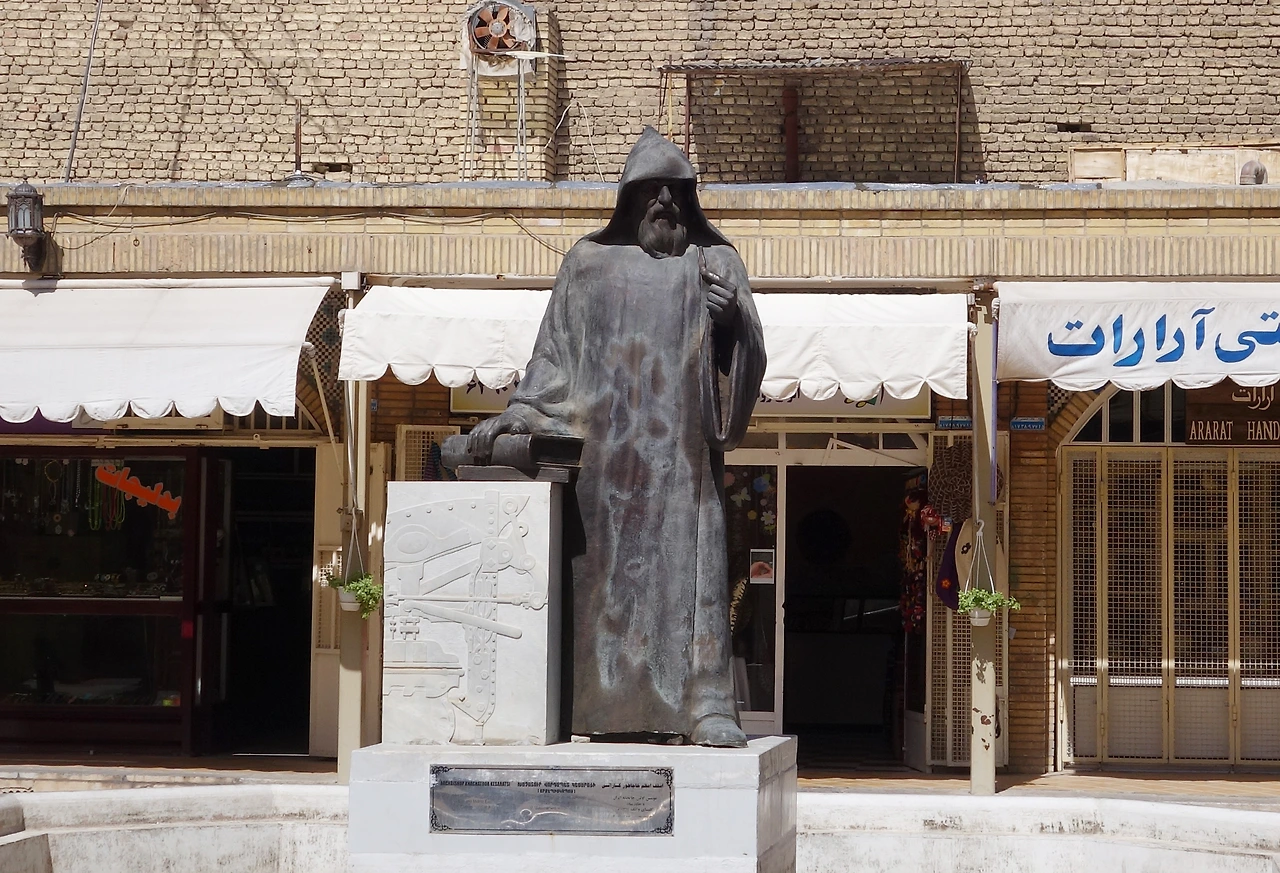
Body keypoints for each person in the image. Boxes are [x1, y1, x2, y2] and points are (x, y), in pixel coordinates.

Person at [467, 127, 766, 746]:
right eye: (651, 190)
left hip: (682, 464)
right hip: (603, 469)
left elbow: (749, 357)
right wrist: (522, 412)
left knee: (688, 581)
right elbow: (553, 359)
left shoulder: (713, 262)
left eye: (675, 190)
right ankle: (597, 710)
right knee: (602, 593)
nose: (665, 202)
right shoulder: (585, 265)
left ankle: (702, 705)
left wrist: (731, 325)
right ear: (628, 197)